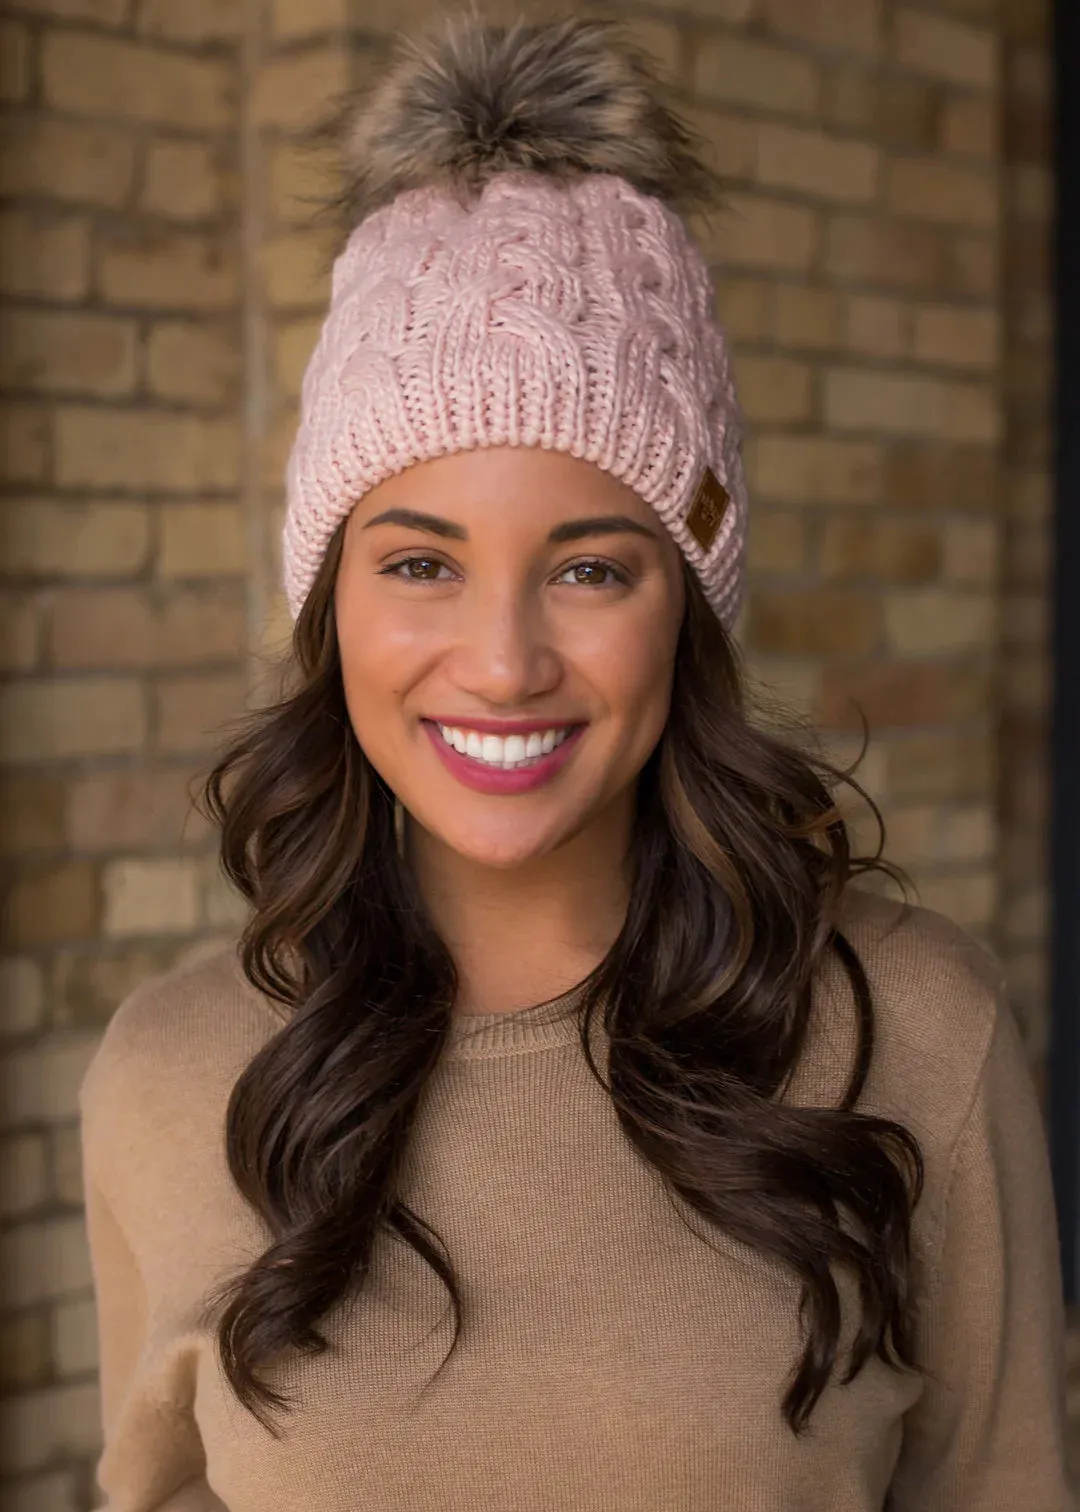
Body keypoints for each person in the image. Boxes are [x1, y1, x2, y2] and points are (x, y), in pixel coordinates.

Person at [78, 10, 1073, 1510]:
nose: (503, 660)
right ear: (329, 603)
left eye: (592, 569)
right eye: (419, 565)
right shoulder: (165, 1080)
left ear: (689, 606)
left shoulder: (916, 1035)